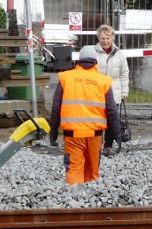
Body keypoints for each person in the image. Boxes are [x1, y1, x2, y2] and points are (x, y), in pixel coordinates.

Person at [48, 49, 120, 185]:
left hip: (72, 135)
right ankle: (91, 201)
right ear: (95, 61)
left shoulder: (66, 78)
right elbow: (112, 111)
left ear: (79, 60)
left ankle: (74, 199)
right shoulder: (103, 81)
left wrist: (53, 133)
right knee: (93, 169)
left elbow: (56, 108)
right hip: (95, 135)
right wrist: (117, 135)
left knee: (74, 168)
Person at [80, 25, 129, 105]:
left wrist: (124, 92)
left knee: (113, 117)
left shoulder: (120, 55)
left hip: (114, 95)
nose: (105, 41)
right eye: (103, 38)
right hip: (96, 95)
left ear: (112, 38)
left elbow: (124, 75)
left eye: (107, 38)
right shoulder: (92, 53)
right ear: (99, 38)